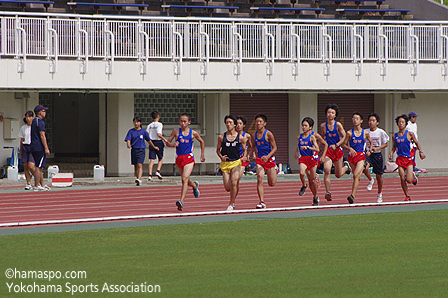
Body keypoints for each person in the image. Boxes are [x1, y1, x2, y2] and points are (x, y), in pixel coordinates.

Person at [166, 113, 205, 211]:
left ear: (189, 122)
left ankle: (181, 201)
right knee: (185, 179)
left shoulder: (193, 133)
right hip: (179, 158)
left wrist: (202, 154)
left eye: (184, 121)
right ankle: (194, 185)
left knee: (184, 178)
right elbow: (168, 143)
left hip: (189, 158)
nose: (182, 123)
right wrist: (172, 144)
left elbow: (202, 141)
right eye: (181, 121)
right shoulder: (176, 131)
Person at [389, 114, 426, 201]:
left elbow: (416, 143)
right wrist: (391, 153)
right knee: (402, 177)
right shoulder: (395, 136)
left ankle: (412, 177)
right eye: (399, 122)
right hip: (400, 159)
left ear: (405, 124)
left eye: (402, 122)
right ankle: (407, 195)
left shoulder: (410, 134)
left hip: (409, 159)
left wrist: (421, 152)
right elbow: (394, 146)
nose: (400, 124)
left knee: (408, 180)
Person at [320, 103, 351, 201]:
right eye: (328, 112)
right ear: (326, 114)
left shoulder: (338, 125)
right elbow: (322, 137)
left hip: (337, 150)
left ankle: (346, 167)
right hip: (328, 151)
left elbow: (344, 136)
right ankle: (328, 192)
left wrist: (337, 144)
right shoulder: (323, 126)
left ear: (335, 115)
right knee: (326, 170)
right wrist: (320, 146)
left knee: (338, 174)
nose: (330, 114)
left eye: (332, 113)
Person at [294, 117, 327, 206]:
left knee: (312, 180)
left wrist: (323, 156)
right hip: (303, 158)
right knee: (301, 173)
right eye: (302, 125)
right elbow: (299, 145)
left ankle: (315, 196)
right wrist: (296, 152)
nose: (303, 127)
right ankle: (304, 185)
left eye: (305, 125)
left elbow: (320, 147)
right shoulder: (299, 137)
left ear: (310, 127)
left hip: (312, 159)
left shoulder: (313, 136)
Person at [216, 115, 247, 211]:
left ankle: (231, 203)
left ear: (234, 124)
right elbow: (217, 150)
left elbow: (245, 149)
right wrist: (221, 157)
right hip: (225, 164)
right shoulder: (221, 137)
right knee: (227, 187)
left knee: (234, 182)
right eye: (227, 123)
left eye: (230, 123)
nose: (228, 124)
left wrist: (244, 157)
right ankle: (232, 199)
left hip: (236, 163)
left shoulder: (240, 137)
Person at [343, 112, 373, 204]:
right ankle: (368, 174)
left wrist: (369, 150)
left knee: (356, 174)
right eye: (353, 119)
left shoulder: (365, 133)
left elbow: (371, 142)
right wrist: (350, 148)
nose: (354, 120)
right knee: (356, 177)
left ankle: (352, 196)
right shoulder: (349, 133)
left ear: (361, 121)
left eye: (356, 119)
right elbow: (344, 144)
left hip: (361, 156)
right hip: (352, 157)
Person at [250, 113, 277, 209]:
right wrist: (251, 154)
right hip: (260, 160)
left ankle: (275, 170)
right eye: (257, 121)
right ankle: (261, 201)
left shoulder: (269, 134)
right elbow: (253, 146)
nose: (258, 123)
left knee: (272, 183)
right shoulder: (254, 135)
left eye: (260, 121)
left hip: (269, 160)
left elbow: (275, 148)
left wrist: (268, 156)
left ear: (264, 123)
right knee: (259, 178)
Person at [362, 113, 389, 203]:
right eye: (370, 120)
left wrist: (377, 148)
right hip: (368, 154)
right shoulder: (365, 131)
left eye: (373, 121)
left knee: (379, 176)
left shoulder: (381, 132)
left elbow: (386, 144)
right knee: (364, 167)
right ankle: (370, 179)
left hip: (377, 154)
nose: (371, 122)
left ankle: (379, 194)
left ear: (377, 122)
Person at [124, 116, 154, 186]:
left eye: (137, 122)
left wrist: (154, 146)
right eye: (134, 122)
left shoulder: (143, 132)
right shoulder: (131, 131)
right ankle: (137, 178)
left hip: (141, 150)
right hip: (134, 149)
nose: (136, 123)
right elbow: (128, 139)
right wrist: (128, 144)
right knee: (135, 165)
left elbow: (149, 140)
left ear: (140, 123)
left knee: (139, 164)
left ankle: (139, 178)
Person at [30, 105, 51, 191]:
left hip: (33, 146)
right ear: (39, 112)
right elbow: (42, 135)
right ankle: (36, 185)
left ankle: (42, 184)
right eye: (44, 111)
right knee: (38, 167)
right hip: (39, 147)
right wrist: (46, 148)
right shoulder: (40, 122)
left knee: (40, 166)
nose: (45, 113)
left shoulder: (34, 121)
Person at [146, 111, 167, 181]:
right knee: (160, 158)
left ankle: (150, 175)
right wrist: (165, 140)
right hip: (158, 141)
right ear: (158, 116)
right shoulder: (159, 124)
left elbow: (147, 135)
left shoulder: (149, 125)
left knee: (152, 160)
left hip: (151, 142)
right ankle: (158, 171)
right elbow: (159, 134)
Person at [18, 110, 35, 190]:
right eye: (27, 117)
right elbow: (21, 140)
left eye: (30, 117)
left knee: (31, 166)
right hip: (25, 146)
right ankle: (28, 183)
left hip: (32, 146)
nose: (28, 118)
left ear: (33, 117)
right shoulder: (23, 127)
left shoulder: (35, 127)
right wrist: (21, 150)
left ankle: (37, 176)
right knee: (25, 166)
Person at [236, 116, 252, 192]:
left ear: (244, 125)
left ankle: (235, 192)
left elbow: (251, 147)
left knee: (238, 177)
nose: (238, 125)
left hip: (243, 158)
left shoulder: (247, 136)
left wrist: (249, 155)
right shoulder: (232, 135)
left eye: (240, 123)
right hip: (234, 158)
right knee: (234, 180)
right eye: (237, 123)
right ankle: (235, 191)